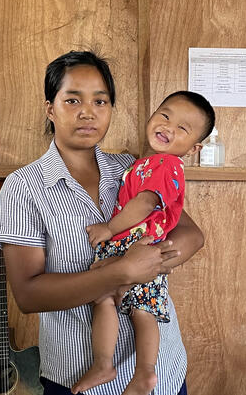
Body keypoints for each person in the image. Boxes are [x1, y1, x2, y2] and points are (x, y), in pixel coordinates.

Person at [0, 51, 205, 395]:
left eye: (100, 101)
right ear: (51, 108)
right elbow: (28, 294)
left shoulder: (132, 168)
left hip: (160, 375)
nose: (87, 112)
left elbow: (190, 235)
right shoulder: (24, 187)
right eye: (72, 100)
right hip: (75, 376)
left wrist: (148, 264)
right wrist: (121, 272)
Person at [73, 91, 215, 395]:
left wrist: (109, 229)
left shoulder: (167, 165)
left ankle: (145, 373)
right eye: (165, 115)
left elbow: (146, 204)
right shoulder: (143, 163)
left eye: (183, 128)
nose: (168, 127)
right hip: (127, 246)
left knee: (142, 309)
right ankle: (104, 364)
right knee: (106, 300)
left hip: (141, 244)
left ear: (194, 148)